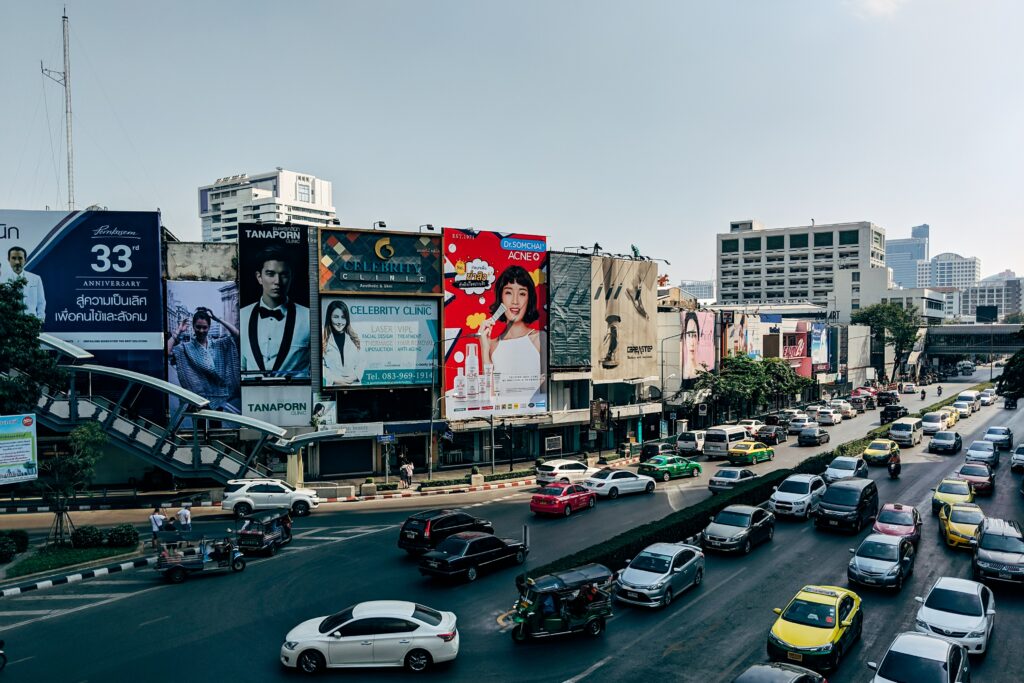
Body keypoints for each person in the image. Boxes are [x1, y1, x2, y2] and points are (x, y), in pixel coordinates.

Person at [240, 245, 311, 380]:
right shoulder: (242, 316)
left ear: (291, 277)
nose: (277, 281)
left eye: (283, 274)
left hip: (296, 397)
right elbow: (240, 367)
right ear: (259, 277)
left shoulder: (309, 317)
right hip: (253, 398)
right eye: (270, 274)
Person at [478, 265, 546, 402]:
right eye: (508, 292)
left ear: (529, 299)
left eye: (522, 293)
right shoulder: (492, 345)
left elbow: (546, 392)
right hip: (499, 419)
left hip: (535, 417)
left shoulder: (540, 338)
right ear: (501, 297)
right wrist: (484, 349)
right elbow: (489, 397)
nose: (515, 301)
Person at [167, 308, 241, 412]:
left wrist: (217, 319)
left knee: (216, 427)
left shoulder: (218, 344)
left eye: (204, 327)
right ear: (193, 327)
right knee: (199, 427)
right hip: (196, 399)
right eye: (198, 327)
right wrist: (178, 330)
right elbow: (166, 352)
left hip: (218, 397)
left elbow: (237, 334)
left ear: (209, 327)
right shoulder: (186, 348)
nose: (201, 331)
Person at [321, 299, 362, 385]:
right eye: (336, 317)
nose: (340, 322)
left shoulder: (354, 339)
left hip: (354, 386)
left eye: (343, 317)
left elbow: (362, 361)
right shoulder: (323, 340)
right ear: (329, 318)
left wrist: (354, 376)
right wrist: (335, 379)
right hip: (334, 387)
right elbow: (320, 366)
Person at [6, 246, 46, 321]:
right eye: (14, 258)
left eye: (20, 258)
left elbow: (41, 302)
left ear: (25, 260)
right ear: (9, 259)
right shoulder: (1, 280)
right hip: (8, 326)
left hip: (30, 324)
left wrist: (40, 321)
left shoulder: (36, 279)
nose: (17, 262)